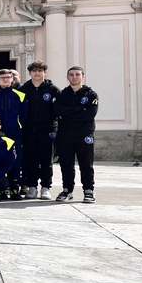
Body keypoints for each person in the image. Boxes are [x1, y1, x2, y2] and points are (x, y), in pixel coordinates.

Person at [53, 66, 99, 203]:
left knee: (86, 164)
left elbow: (90, 113)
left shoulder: (91, 94)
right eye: (71, 75)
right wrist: (79, 109)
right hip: (65, 135)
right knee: (66, 164)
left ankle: (88, 190)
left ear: (83, 76)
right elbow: (57, 111)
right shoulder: (62, 94)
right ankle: (67, 190)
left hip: (84, 134)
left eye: (77, 74)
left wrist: (67, 113)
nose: (74, 77)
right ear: (67, 77)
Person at [19, 60, 61, 200]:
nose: (37, 73)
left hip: (47, 131)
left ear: (45, 72)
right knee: (30, 159)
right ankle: (32, 187)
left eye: (40, 70)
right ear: (30, 73)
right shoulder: (23, 90)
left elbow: (59, 110)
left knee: (46, 160)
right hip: (29, 130)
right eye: (34, 70)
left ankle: (45, 187)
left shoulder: (53, 90)